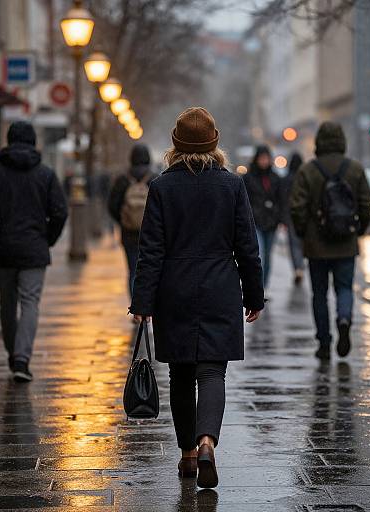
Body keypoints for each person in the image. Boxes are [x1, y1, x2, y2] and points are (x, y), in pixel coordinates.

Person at [129, 107, 264, 488]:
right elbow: (247, 247)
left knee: (181, 374)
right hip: (221, 286)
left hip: (175, 288)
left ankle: (188, 455)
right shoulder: (232, 186)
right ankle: (208, 442)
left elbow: (150, 251)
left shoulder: (161, 187)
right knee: (211, 372)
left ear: (175, 145)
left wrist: (142, 303)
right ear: (214, 143)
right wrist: (254, 295)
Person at [0, 121, 67, 383]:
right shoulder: (46, 174)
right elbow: (59, 212)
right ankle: (22, 358)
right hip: (34, 249)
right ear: (33, 142)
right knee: (30, 303)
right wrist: (46, 239)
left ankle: (12, 353)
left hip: (3, 250)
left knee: (7, 303)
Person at [290, 122, 370, 360]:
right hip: (346, 242)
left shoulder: (308, 170)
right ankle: (344, 319)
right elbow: (365, 204)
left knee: (319, 293)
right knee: (345, 288)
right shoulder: (354, 169)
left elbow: (297, 207)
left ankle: (324, 342)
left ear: (319, 142)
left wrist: (304, 232)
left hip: (317, 245)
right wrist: (359, 230)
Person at [108, 144, 155, 297]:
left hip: (128, 234)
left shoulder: (122, 180)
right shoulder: (154, 179)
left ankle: (136, 308)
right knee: (150, 269)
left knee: (133, 270)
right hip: (150, 234)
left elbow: (112, 205)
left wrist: (123, 221)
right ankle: (148, 305)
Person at [243, 145, 281, 290]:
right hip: (255, 222)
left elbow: (280, 199)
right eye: (262, 158)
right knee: (260, 255)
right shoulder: (248, 178)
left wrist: (278, 216)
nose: (264, 161)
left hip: (271, 222)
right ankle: (258, 287)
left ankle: (264, 286)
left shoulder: (275, 178)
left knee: (268, 255)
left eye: (267, 158)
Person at [281, 152, 305, 284]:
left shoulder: (286, 180)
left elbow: (283, 200)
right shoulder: (304, 178)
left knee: (293, 244)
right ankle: (301, 265)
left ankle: (297, 268)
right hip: (304, 216)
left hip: (290, 216)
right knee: (302, 243)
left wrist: (283, 219)